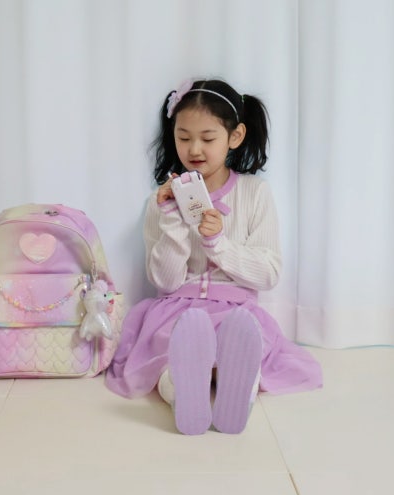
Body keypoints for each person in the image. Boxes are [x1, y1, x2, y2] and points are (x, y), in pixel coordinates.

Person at [105, 78, 323, 435]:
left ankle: (238, 394)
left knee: (242, 350)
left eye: (207, 139)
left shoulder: (255, 193)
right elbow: (164, 281)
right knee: (170, 358)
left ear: (234, 137)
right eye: (183, 137)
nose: (194, 149)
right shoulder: (161, 201)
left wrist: (219, 243)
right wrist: (173, 222)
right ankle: (183, 396)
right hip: (176, 310)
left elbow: (268, 273)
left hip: (236, 312)